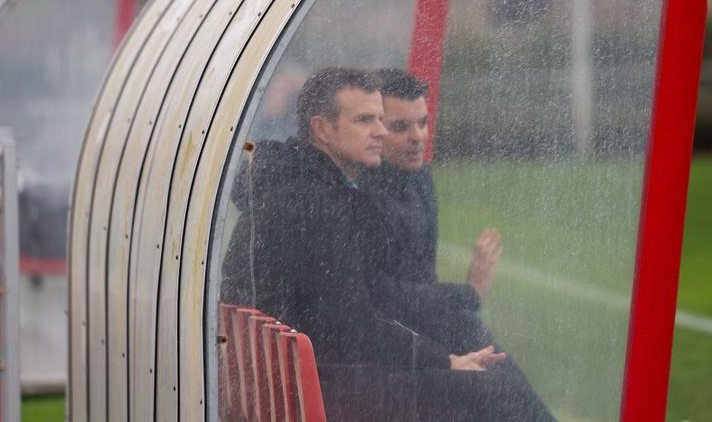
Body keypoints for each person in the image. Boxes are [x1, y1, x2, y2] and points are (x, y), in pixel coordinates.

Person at [220, 67, 549, 420]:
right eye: (365, 120)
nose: (379, 131)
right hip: (312, 384)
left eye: (380, 119)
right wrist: (443, 360)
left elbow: (347, 317)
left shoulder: (299, 184)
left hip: (293, 375)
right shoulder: (313, 202)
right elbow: (353, 324)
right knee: (488, 388)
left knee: (475, 373)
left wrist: (438, 358)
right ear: (322, 129)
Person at [360, 68, 555, 420]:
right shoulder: (363, 195)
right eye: (402, 127)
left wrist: (461, 305)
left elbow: (420, 281)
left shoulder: (419, 177)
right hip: (383, 351)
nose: (418, 137)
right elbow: (380, 296)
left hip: (425, 327)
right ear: (375, 129)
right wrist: (468, 293)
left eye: (422, 123)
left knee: (493, 363)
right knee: (494, 382)